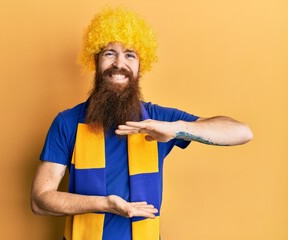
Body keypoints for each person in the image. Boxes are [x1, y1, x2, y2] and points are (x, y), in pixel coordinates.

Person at [31, 6, 253, 240]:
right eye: (109, 53)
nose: (119, 63)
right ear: (95, 61)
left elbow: (241, 132)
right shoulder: (67, 122)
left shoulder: (158, 119)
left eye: (130, 54)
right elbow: (40, 200)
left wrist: (177, 128)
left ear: (140, 66)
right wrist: (104, 204)